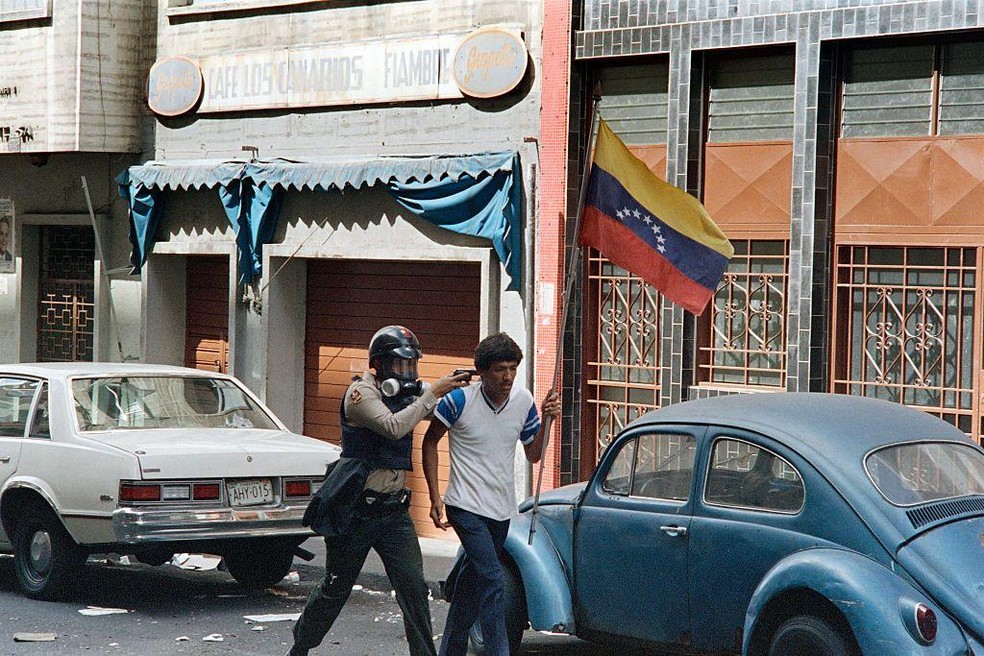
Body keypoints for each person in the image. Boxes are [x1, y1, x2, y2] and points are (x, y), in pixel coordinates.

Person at [288, 325, 469, 656]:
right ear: (379, 365)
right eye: (399, 366)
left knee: (414, 589)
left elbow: (441, 411)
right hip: (356, 511)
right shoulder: (361, 395)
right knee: (335, 588)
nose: (406, 373)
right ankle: (301, 646)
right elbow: (394, 427)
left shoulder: (406, 395)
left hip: (393, 512)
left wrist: (461, 388)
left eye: (410, 365)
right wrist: (432, 392)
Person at [422, 332, 561, 656]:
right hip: (464, 506)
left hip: (501, 510)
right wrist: (433, 498)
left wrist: (549, 419)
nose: (508, 376)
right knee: (492, 579)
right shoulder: (459, 401)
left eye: (512, 368)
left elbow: (534, 455)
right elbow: (430, 441)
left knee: (471, 587)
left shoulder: (523, 401)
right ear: (482, 371)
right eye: (500, 369)